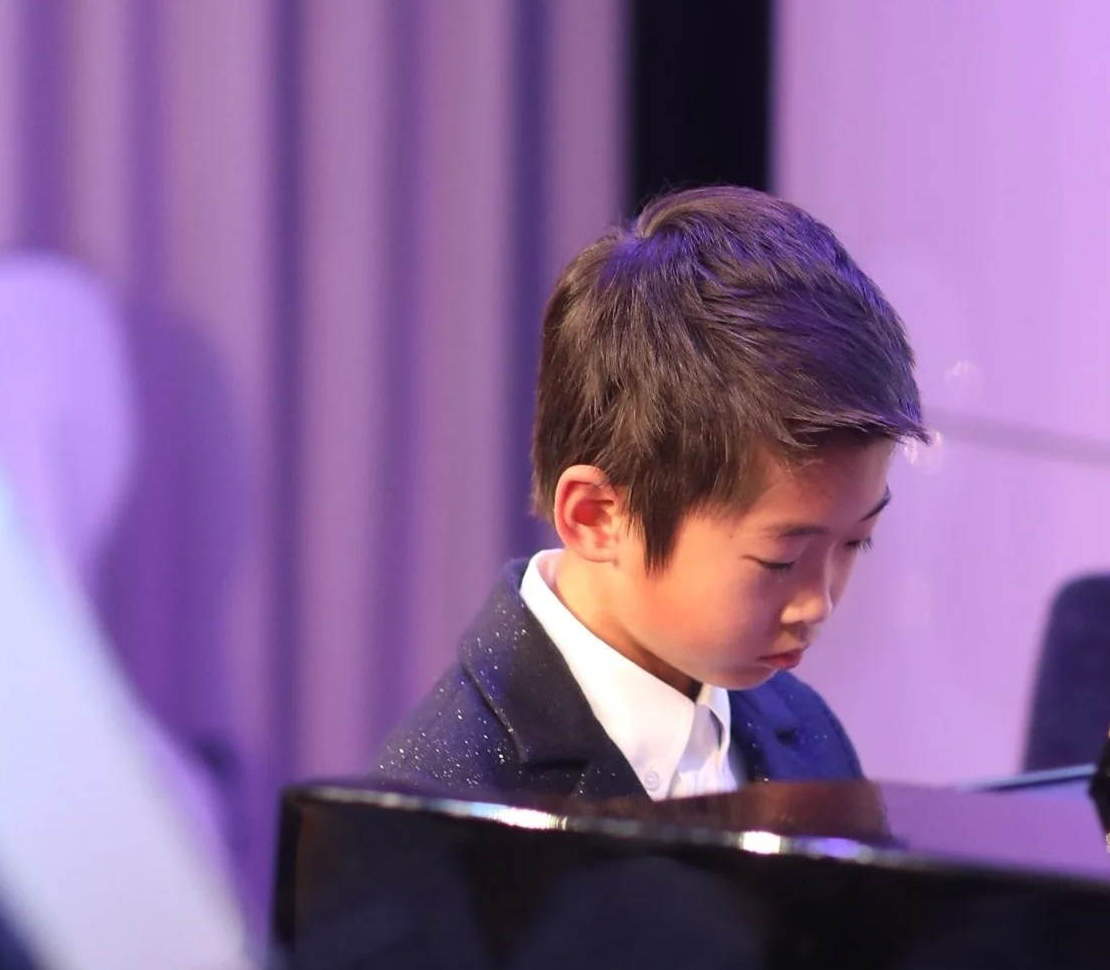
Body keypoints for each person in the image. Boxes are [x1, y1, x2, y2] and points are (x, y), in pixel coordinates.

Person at [376, 187, 923, 800]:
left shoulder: (805, 734)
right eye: (781, 559)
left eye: (856, 542)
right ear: (597, 517)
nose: (816, 605)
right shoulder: (447, 797)